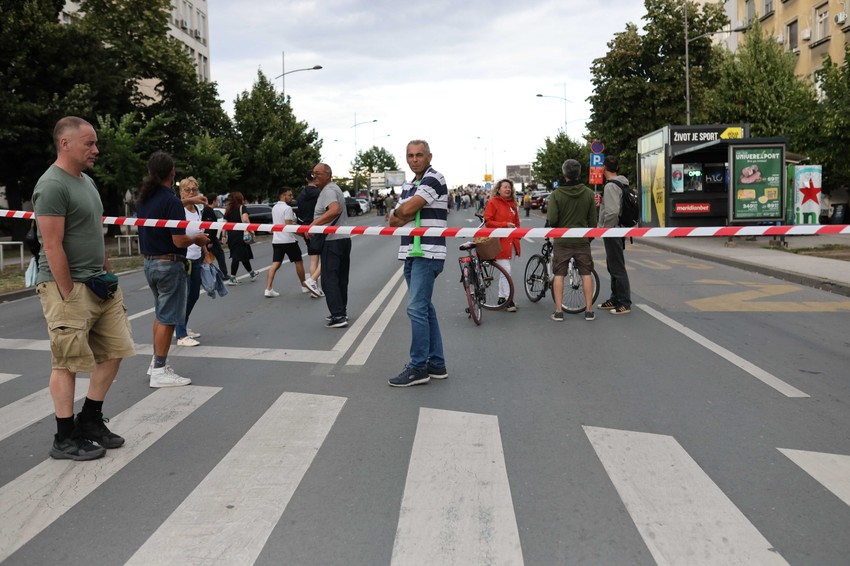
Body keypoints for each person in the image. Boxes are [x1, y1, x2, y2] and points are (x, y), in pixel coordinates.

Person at [32, 116, 135, 461]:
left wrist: (107, 274)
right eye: (89, 143)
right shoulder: (51, 185)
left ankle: (89, 420)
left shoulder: (87, 182)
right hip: (67, 287)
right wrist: (68, 292)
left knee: (115, 351)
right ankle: (64, 438)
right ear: (65, 144)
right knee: (68, 362)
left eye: (95, 143)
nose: (96, 149)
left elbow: (93, 235)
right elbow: (52, 245)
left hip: (98, 283)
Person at [137, 151, 209, 387]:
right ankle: (159, 370)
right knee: (168, 318)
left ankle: (155, 363)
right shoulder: (170, 202)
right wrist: (197, 239)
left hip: (150, 262)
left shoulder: (144, 199)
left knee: (160, 314)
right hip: (169, 263)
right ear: (172, 173)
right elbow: (179, 241)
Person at [387, 140, 448, 387]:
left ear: (429, 156)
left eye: (419, 155)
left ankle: (418, 367)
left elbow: (406, 210)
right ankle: (436, 363)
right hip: (411, 252)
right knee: (424, 308)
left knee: (415, 309)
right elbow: (393, 220)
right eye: (410, 155)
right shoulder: (409, 184)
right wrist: (404, 212)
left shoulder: (434, 178)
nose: (414, 159)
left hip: (428, 252)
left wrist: (405, 211)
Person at [546, 158, 597, 322]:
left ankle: (559, 311)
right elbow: (593, 222)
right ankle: (589, 311)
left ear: (564, 173)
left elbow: (552, 220)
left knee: (559, 274)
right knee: (586, 274)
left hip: (562, 241)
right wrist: (588, 239)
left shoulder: (556, 194)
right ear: (579, 173)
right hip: (582, 240)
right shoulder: (589, 193)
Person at [309, 163, 351, 328]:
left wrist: (314, 224)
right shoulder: (334, 188)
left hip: (332, 240)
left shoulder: (328, 191)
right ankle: (341, 311)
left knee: (329, 280)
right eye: (313, 174)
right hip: (343, 239)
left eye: (318, 173)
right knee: (340, 278)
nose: (315, 176)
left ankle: (338, 316)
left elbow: (334, 210)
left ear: (328, 174)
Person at [597, 156, 632, 314]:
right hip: (618, 228)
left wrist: (605, 228)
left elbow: (612, 211)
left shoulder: (611, 186)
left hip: (612, 230)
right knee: (613, 264)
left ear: (604, 168)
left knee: (616, 266)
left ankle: (624, 302)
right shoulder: (621, 182)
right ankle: (615, 298)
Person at [173, 177, 206, 346]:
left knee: (193, 295)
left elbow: (200, 232)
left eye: (194, 190)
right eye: (188, 190)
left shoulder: (198, 210)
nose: (192, 193)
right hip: (183, 258)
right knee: (181, 297)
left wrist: (205, 252)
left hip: (196, 257)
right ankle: (180, 334)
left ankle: (182, 325)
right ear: (181, 192)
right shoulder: (178, 209)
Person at [265, 187, 311, 297]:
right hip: (288, 240)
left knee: (275, 264)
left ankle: (268, 288)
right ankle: (303, 286)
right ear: (283, 195)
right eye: (290, 195)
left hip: (277, 240)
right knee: (298, 261)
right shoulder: (287, 208)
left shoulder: (274, 207)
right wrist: (302, 235)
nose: (292, 197)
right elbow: (289, 226)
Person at [483, 178, 521, 312]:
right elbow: (488, 221)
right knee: (506, 271)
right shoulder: (493, 202)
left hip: (512, 243)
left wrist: (518, 235)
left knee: (505, 272)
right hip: (499, 243)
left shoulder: (513, 204)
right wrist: (504, 225)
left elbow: (517, 222)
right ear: (498, 189)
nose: (507, 189)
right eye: (504, 187)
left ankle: (501, 297)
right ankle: (507, 299)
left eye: (509, 187)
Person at [296, 172, 323, 297]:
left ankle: (315, 287)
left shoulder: (300, 195)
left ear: (306, 179)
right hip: (319, 226)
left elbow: (299, 215)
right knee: (326, 257)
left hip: (306, 228)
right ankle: (313, 284)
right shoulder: (319, 193)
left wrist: (305, 228)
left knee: (313, 259)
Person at [223, 191, 257, 285]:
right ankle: (232, 278)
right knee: (237, 257)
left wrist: (223, 235)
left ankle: (252, 273)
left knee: (242, 255)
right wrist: (251, 231)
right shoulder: (242, 207)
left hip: (231, 235)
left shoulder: (228, 209)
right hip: (241, 235)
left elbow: (225, 224)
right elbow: (245, 219)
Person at [204, 192, 229, 278]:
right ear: (214, 201)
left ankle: (219, 273)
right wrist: (209, 240)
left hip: (213, 238)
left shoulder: (209, 210)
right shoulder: (208, 211)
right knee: (219, 255)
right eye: (217, 200)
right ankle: (223, 274)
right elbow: (208, 227)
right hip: (211, 239)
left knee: (211, 256)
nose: (218, 201)